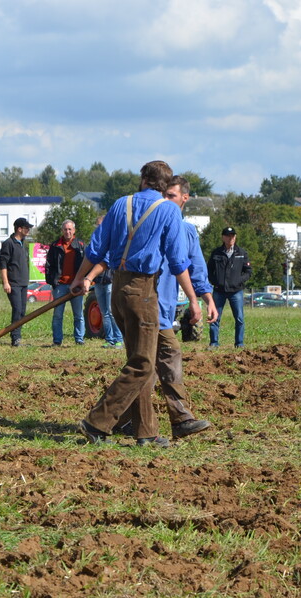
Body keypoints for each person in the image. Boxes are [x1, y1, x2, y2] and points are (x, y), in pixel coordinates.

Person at [69, 160, 200, 448]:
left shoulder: (120, 205)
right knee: (143, 364)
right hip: (143, 292)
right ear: (166, 186)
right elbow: (178, 262)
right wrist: (193, 299)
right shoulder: (169, 211)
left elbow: (96, 248)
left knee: (138, 361)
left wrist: (80, 279)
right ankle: (97, 421)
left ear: (142, 179)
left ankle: (146, 432)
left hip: (117, 288)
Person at [117, 177, 218, 440]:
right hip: (147, 305)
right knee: (152, 363)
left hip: (164, 308)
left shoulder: (186, 231)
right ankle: (167, 420)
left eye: (171, 196)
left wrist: (206, 299)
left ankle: (125, 420)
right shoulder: (152, 226)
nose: (166, 201)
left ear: (184, 198)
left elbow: (193, 266)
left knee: (152, 363)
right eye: (165, 195)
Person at [206, 227, 252, 348]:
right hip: (219, 291)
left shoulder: (242, 253)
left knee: (239, 318)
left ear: (235, 237)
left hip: (236, 292)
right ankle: (214, 343)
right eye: (227, 235)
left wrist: (238, 281)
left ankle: (239, 343)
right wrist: (215, 281)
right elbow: (209, 270)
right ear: (223, 237)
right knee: (214, 318)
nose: (230, 238)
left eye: (232, 235)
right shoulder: (216, 253)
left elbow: (248, 272)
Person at [45, 220, 86, 346]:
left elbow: (87, 264)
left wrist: (84, 281)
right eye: (65, 229)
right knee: (58, 315)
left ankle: (79, 339)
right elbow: (48, 265)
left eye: (70, 229)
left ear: (74, 231)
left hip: (76, 285)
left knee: (78, 314)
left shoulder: (80, 245)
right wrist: (53, 281)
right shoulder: (55, 245)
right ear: (62, 231)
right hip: (60, 285)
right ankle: (57, 341)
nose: (67, 232)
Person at [88, 217, 122, 349]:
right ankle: (109, 339)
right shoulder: (95, 244)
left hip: (110, 281)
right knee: (104, 312)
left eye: (101, 225)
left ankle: (118, 339)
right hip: (98, 282)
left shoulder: (113, 242)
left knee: (112, 311)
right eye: (97, 226)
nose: (99, 228)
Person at [0, 217, 33, 347]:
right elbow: (3, 264)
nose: (28, 230)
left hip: (23, 283)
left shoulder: (22, 243)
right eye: (26, 227)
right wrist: (5, 282)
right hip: (13, 283)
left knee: (22, 311)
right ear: (19, 229)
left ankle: (18, 335)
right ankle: (15, 338)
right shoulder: (8, 243)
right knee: (17, 309)